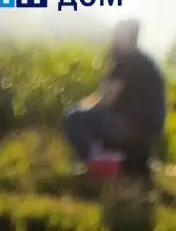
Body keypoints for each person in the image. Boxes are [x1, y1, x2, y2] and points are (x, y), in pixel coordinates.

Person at [64, 21, 167, 177]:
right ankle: (129, 166)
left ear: (125, 36)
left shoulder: (126, 61)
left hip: (132, 128)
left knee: (75, 118)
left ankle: (100, 169)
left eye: (117, 33)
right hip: (148, 133)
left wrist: (79, 108)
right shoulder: (145, 61)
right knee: (99, 120)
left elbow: (105, 100)